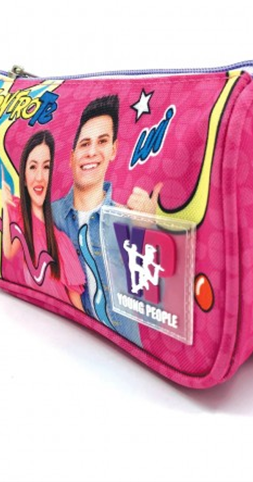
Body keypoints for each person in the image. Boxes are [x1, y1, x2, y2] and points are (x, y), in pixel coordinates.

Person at [52, 95, 161, 344]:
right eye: (84, 144)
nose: (92, 152)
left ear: (113, 150)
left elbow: (157, 298)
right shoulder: (52, 214)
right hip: (67, 337)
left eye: (102, 141)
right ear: (71, 156)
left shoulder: (129, 220)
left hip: (131, 346)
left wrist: (149, 229)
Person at [1, 130, 85, 310]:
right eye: (33, 167)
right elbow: (8, 251)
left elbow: (77, 305)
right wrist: (5, 207)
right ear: (24, 177)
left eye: (46, 167)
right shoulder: (21, 216)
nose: (39, 177)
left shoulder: (61, 244)